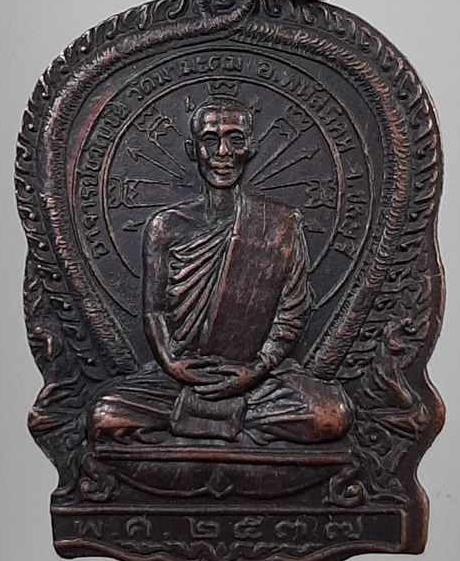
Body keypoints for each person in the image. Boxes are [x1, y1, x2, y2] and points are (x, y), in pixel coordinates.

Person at [91, 96, 352, 445]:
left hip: (258, 379)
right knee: (104, 413)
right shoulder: (165, 227)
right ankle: (228, 420)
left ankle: (199, 419)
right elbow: (154, 311)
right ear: (193, 150)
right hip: (182, 377)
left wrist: (255, 370)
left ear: (251, 148)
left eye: (235, 139)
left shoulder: (280, 224)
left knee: (331, 414)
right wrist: (171, 364)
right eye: (210, 140)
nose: (223, 152)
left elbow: (293, 313)